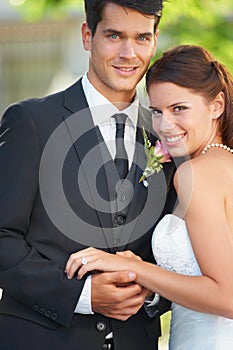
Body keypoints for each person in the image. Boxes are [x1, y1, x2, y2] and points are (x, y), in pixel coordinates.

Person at [0, 1, 177, 350]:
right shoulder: (31, 122)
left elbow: (176, 246)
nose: (129, 53)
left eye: (142, 38)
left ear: (154, 41)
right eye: (114, 35)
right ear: (87, 35)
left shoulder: (168, 136)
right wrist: (81, 295)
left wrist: (152, 291)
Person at [66, 45, 233, 350]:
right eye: (156, 111)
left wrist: (131, 267)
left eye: (179, 109)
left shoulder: (198, 174)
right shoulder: (224, 165)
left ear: (216, 105)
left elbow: (227, 296)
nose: (164, 125)